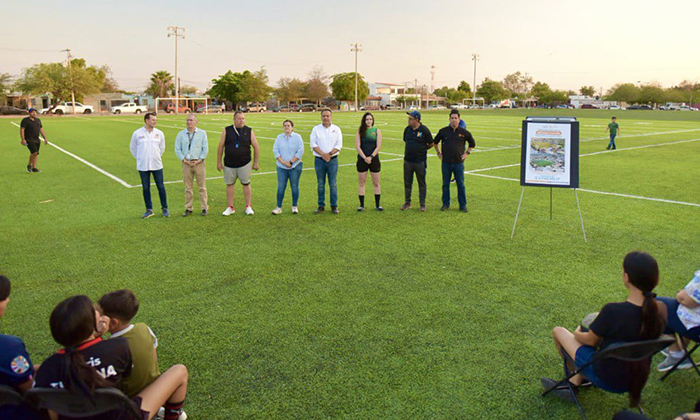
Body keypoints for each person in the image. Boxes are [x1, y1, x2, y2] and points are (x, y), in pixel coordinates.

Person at [35, 295, 189, 420]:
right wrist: (97, 335)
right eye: (94, 310)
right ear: (93, 323)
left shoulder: (47, 369)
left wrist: (93, 334)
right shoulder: (117, 347)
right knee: (179, 371)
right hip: (124, 416)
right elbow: (125, 375)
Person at [548, 251, 667, 408]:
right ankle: (576, 380)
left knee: (559, 331)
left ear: (626, 277)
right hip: (636, 378)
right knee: (596, 335)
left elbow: (590, 341)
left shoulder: (613, 311)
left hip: (606, 376)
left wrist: (577, 333)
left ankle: (574, 381)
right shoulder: (661, 309)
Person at [97, 290, 162, 399]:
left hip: (131, 401)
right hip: (156, 390)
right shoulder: (144, 328)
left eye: (99, 315)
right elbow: (153, 360)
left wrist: (96, 335)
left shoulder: (110, 347)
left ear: (113, 323)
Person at [0, 275, 41, 420]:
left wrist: (35, 367)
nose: (8, 300)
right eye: (4, 298)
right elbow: (30, 389)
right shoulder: (10, 347)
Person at [655, 269, 700, 371]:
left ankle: (676, 354)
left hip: (696, 328)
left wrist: (680, 294)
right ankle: (680, 349)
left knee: (656, 305)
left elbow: (686, 300)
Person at [216, 111, 260, 216]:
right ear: (234, 119)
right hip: (229, 163)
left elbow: (256, 146)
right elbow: (220, 147)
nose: (241, 120)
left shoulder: (249, 131)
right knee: (229, 185)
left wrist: (256, 162)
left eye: (243, 118)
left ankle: (248, 206)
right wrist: (219, 162)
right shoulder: (227, 130)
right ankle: (230, 207)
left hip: (244, 163)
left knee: (246, 184)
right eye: (239, 118)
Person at [434, 110, 476, 212]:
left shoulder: (464, 132)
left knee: (460, 184)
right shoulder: (443, 131)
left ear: (459, 119)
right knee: (445, 184)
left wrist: (467, 153)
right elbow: (435, 142)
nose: (454, 120)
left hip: (458, 163)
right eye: (452, 118)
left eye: (455, 118)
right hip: (446, 163)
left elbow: (472, 144)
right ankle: (445, 204)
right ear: (449, 119)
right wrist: (439, 153)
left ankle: (462, 205)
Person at [130, 112, 169, 219]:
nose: (155, 121)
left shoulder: (159, 133)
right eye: (153, 120)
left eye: (156, 119)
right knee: (146, 188)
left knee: (161, 187)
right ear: (146, 120)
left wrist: (155, 157)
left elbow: (162, 148)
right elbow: (133, 148)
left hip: (157, 165)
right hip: (143, 166)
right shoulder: (137, 133)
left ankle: (165, 208)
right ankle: (149, 209)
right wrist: (140, 158)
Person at [174, 114, 209, 217]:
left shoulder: (202, 133)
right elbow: (177, 149)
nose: (189, 122)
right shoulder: (181, 134)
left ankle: (204, 208)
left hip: (199, 163)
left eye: (191, 120)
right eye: (187, 120)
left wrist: (199, 160)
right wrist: (184, 160)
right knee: (188, 187)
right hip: (186, 163)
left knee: (202, 187)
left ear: (196, 122)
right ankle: (188, 208)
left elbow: (205, 148)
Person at [310, 109, 343, 214]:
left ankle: (334, 206)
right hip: (319, 160)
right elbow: (313, 144)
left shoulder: (336, 129)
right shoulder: (316, 129)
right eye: (324, 116)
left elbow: (339, 145)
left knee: (333, 184)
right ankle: (321, 205)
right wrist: (323, 155)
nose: (326, 118)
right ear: (321, 117)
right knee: (320, 183)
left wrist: (329, 155)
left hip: (332, 160)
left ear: (331, 117)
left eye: (327, 116)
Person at [401, 110, 433, 212]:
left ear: (417, 120)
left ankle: (422, 204)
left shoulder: (424, 130)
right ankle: (407, 202)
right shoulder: (407, 130)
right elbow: (406, 140)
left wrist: (423, 149)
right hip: (408, 161)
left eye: (410, 119)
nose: (408, 120)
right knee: (407, 183)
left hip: (420, 162)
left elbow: (431, 143)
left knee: (421, 183)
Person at [272, 120, 304, 215]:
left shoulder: (297, 137)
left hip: (295, 167)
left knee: (294, 187)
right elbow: (275, 151)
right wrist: (283, 162)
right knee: (281, 187)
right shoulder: (279, 138)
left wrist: (291, 162)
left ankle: (294, 206)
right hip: (281, 167)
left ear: (292, 127)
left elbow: (300, 151)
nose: (287, 127)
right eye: (285, 125)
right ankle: (278, 207)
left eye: (288, 125)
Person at [355, 112, 384, 211]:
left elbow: (378, 146)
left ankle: (377, 205)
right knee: (362, 182)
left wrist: (371, 157)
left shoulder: (377, 131)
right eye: (367, 119)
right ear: (364, 120)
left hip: (374, 159)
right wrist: (365, 157)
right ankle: (361, 205)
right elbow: (358, 146)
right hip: (362, 160)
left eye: (370, 119)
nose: (369, 121)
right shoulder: (360, 131)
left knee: (376, 183)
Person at [19, 108, 48, 173]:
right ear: (29, 113)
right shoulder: (25, 120)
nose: (34, 113)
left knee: (36, 153)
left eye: (35, 112)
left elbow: (41, 129)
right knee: (34, 152)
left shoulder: (38, 120)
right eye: (32, 112)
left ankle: (34, 167)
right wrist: (23, 139)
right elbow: (22, 130)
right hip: (29, 139)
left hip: (37, 139)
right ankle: (29, 166)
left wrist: (45, 138)